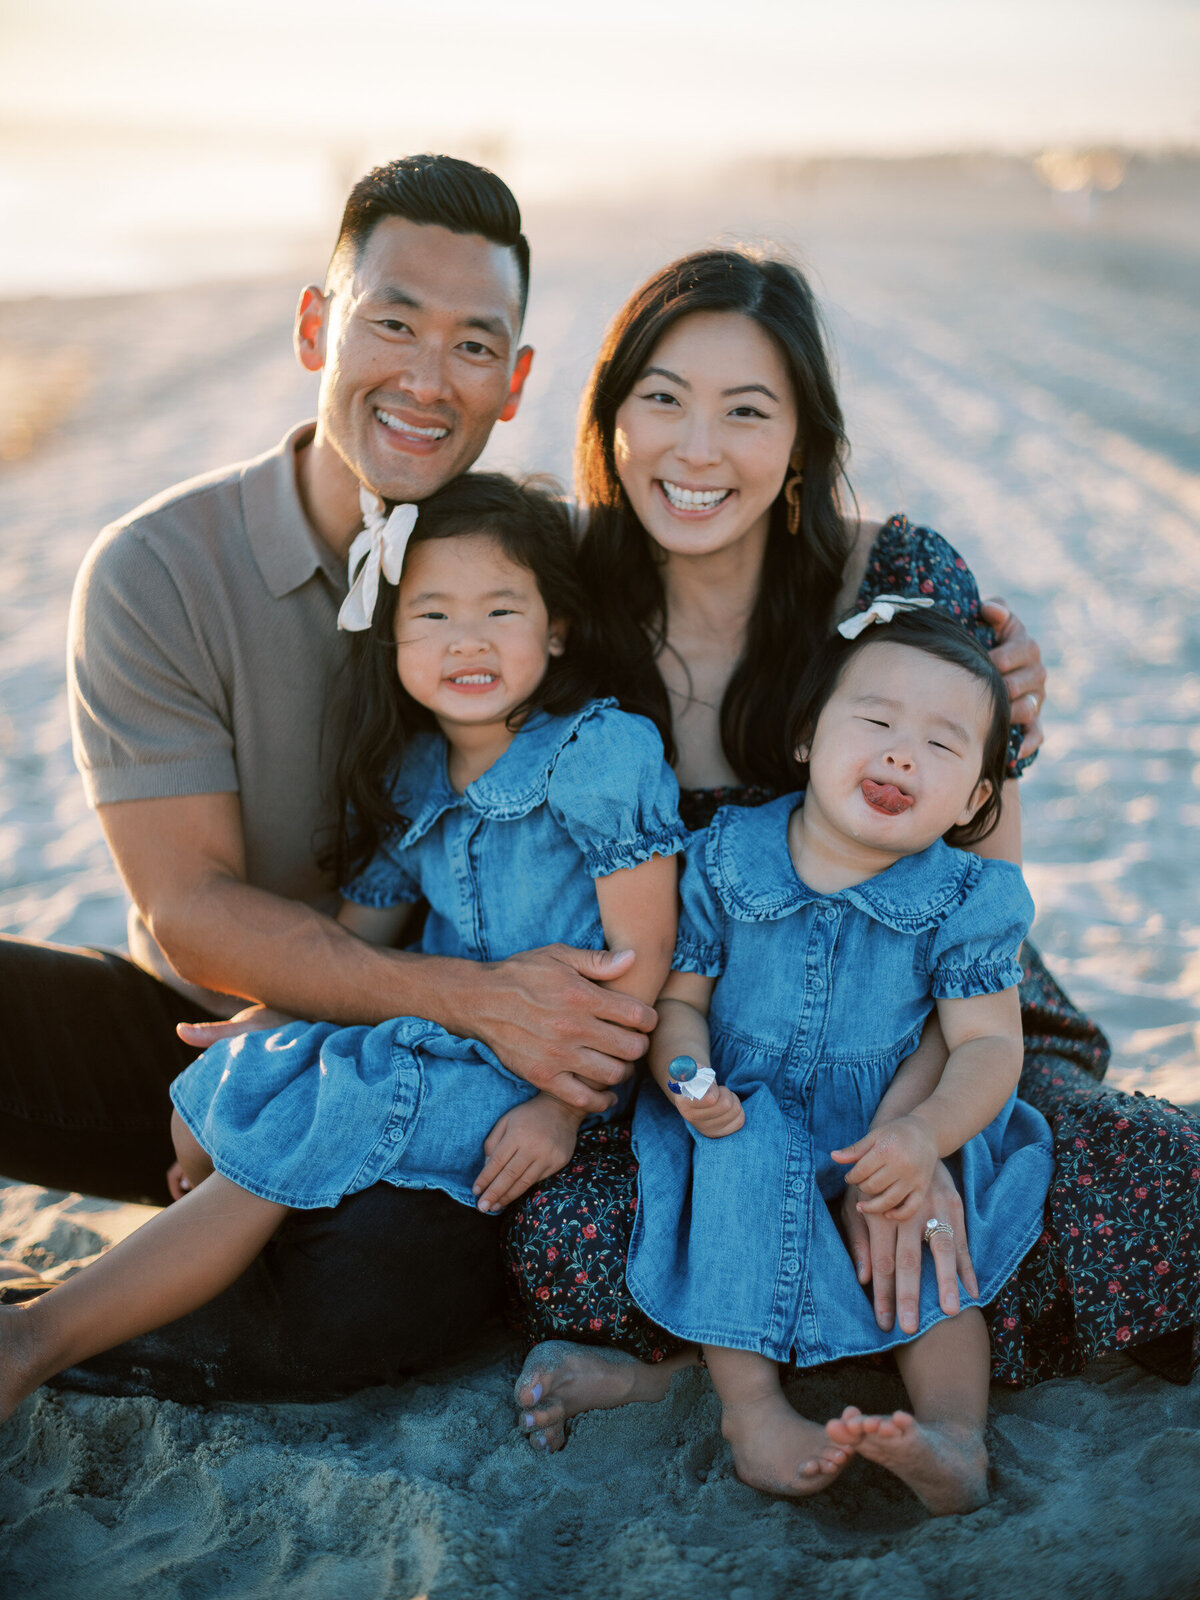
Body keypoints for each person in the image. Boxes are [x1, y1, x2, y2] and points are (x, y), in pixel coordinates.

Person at [507, 246, 1198, 1456]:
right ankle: (797, 1346)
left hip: (931, 1025)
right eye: (662, 398)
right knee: (571, 1243)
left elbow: (982, 889)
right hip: (704, 1060)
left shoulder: (899, 578)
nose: (697, 449)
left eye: (746, 410)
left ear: (801, 443)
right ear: (610, 416)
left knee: (1142, 1183)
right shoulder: (560, 602)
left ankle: (739, 1357)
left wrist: (913, 1137)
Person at [0, 155, 663, 1400]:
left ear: (516, 381)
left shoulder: (546, 573)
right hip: (212, 1033)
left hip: (461, 1089)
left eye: (474, 344)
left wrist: (956, 634)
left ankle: (64, 1329)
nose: (428, 377)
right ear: (317, 326)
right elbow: (189, 909)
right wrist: (459, 997)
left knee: (374, 1284)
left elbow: (763, 596)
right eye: (393, 323)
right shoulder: (157, 569)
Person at [632, 604, 1052, 1514]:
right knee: (736, 1168)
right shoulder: (726, 858)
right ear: (807, 738)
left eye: (942, 745)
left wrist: (925, 1133)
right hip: (744, 1112)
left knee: (936, 1252)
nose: (902, 755)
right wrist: (690, 1078)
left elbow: (988, 1045)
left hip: (885, 1127)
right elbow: (679, 1002)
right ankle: (753, 1412)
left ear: (975, 800)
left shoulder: (968, 898)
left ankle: (955, 1437)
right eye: (876, 721)